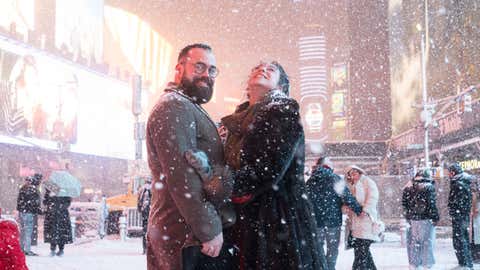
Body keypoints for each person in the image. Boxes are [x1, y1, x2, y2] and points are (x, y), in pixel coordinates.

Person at [219, 61, 326, 269]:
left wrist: (222, 184)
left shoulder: (283, 110)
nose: (262, 70)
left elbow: (268, 169)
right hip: (244, 217)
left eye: (271, 70)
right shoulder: (236, 121)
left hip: (277, 221)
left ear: (281, 86)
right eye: (257, 67)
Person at [145, 43, 234, 269]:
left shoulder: (185, 105)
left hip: (182, 231)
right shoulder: (173, 106)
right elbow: (181, 177)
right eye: (199, 67)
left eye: (211, 70)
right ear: (179, 68)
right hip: (183, 234)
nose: (206, 74)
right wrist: (208, 229)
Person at [306, 157, 363, 270]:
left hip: (316, 221)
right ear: (328, 166)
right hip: (333, 221)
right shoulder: (334, 178)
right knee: (332, 249)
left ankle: (321, 267)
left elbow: (305, 201)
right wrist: (358, 210)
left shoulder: (310, 181)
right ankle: (330, 268)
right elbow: (346, 196)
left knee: (318, 248)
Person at [402, 169, 439, 270]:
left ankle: (414, 264)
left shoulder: (408, 186)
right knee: (427, 242)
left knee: (415, 242)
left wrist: (408, 216)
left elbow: (404, 204)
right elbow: (431, 204)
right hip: (426, 218)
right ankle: (427, 264)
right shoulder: (428, 187)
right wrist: (435, 217)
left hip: (413, 219)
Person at [345, 165, 380, 270]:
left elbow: (373, 196)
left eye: (355, 172)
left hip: (366, 221)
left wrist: (365, 210)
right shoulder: (352, 185)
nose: (354, 174)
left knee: (361, 250)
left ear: (360, 172)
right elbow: (349, 201)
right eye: (351, 173)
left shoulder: (368, 182)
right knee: (361, 250)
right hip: (355, 223)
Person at [448, 163, 474, 269]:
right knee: (463, 238)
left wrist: (453, 210)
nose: (449, 175)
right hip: (464, 215)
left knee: (459, 239)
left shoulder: (457, 184)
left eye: (450, 172)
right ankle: (467, 262)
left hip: (459, 215)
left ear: (453, 172)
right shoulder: (465, 182)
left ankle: (464, 263)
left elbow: (455, 201)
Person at [16, 173, 42, 256]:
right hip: (29, 213)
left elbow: (19, 202)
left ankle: (21, 249)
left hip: (22, 212)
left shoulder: (22, 189)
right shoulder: (33, 190)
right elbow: (35, 204)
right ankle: (27, 250)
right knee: (28, 232)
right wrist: (39, 211)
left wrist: (20, 210)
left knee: (22, 231)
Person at [43, 188, 73, 257]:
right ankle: (53, 249)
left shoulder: (65, 191)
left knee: (61, 232)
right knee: (53, 232)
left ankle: (60, 250)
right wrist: (48, 195)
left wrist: (60, 207)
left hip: (61, 215)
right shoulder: (50, 190)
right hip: (53, 215)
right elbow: (45, 202)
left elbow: (68, 202)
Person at [137, 178, 152, 254]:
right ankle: (151, 249)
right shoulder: (153, 188)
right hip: (152, 212)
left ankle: (144, 249)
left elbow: (139, 201)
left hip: (144, 212)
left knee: (144, 230)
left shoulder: (141, 189)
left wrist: (140, 209)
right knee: (152, 231)